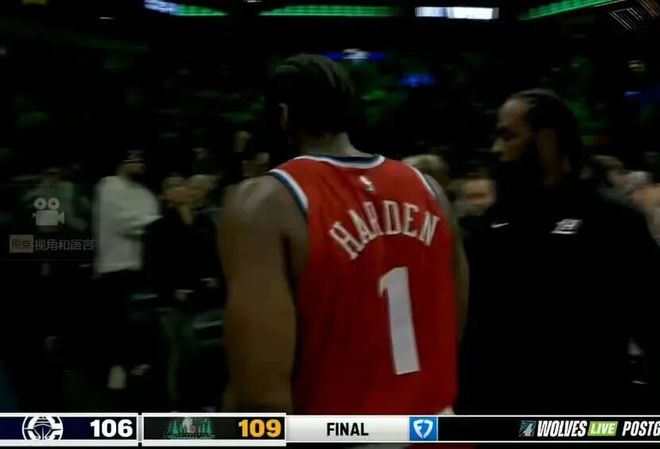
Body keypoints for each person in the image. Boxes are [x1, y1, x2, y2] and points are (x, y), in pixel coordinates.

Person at [220, 54, 467, 414]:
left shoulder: (266, 201)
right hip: (434, 425)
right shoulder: (430, 189)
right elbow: (451, 324)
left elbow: (260, 394)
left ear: (283, 115)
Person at [457, 89, 660, 414]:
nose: (497, 149)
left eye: (508, 137)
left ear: (547, 140)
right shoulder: (492, 224)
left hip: (587, 410)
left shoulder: (611, 220)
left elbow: (648, 318)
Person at [93, 149, 160, 391]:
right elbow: (124, 222)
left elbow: (155, 222)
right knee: (116, 322)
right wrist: (148, 223)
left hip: (140, 263)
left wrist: (148, 223)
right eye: (136, 159)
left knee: (139, 321)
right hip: (114, 264)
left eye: (142, 159)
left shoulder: (144, 192)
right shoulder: (108, 186)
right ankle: (117, 368)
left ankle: (139, 366)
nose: (141, 164)